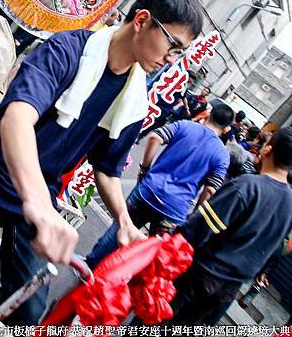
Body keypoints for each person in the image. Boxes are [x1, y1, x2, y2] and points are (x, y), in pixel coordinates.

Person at [0, 0, 203, 325]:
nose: (171, 59)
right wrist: (39, 204)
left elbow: (108, 168)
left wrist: (125, 223)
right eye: (173, 45)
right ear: (142, 20)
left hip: (41, 190)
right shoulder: (67, 51)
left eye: (180, 53)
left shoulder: (133, 101)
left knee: (28, 310)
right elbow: (17, 119)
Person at [168, 127, 292, 326]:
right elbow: (274, 248)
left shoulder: (247, 186)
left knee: (156, 322)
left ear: (268, 149)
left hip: (199, 277)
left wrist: (172, 237)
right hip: (228, 290)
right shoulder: (289, 203)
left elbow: (198, 228)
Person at [86, 104, 232, 269]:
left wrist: (144, 168)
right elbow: (210, 190)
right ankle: (119, 282)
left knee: (118, 230)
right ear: (226, 129)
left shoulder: (185, 125)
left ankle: (90, 267)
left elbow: (155, 137)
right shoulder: (222, 156)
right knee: (151, 253)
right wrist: (195, 214)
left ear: (208, 115)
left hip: (148, 191)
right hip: (174, 211)